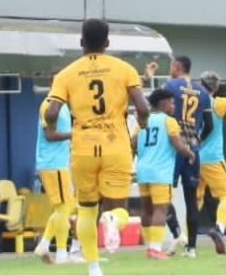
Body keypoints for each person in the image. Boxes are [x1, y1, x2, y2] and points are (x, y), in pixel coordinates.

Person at [42, 19, 152, 276]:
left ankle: (93, 269)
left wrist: (51, 125)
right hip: (115, 144)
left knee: (87, 210)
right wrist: (143, 123)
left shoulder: (66, 74)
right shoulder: (124, 69)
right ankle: (113, 220)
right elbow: (143, 108)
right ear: (107, 43)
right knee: (118, 207)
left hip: (83, 146)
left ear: (81, 43)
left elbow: (52, 110)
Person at [135, 88, 196, 260]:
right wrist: (190, 154)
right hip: (160, 172)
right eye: (172, 102)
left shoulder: (141, 121)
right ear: (164, 104)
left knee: (146, 210)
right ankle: (155, 249)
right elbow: (178, 145)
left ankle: (150, 247)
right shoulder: (169, 121)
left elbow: (132, 143)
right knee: (160, 209)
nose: (174, 105)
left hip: (142, 171)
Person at [163, 55, 215, 258]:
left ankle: (177, 233)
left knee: (163, 194)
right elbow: (209, 125)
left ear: (177, 66)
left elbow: (164, 113)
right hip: (193, 149)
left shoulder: (170, 85)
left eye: (171, 66)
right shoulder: (203, 92)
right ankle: (191, 248)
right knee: (191, 199)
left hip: (173, 147)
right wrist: (198, 139)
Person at [197, 70, 226, 250]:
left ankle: (185, 236)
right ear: (217, 87)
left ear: (199, 83)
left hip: (193, 157)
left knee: (195, 199)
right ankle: (219, 228)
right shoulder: (218, 103)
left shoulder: (192, 103)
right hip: (212, 158)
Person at [33, 98, 75, 264]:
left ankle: (52, 249)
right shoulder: (49, 105)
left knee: (63, 208)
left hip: (59, 162)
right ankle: (56, 250)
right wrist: (75, 134)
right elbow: (49, 135)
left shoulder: (64, 106)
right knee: (64, 207)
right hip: (52, 163)